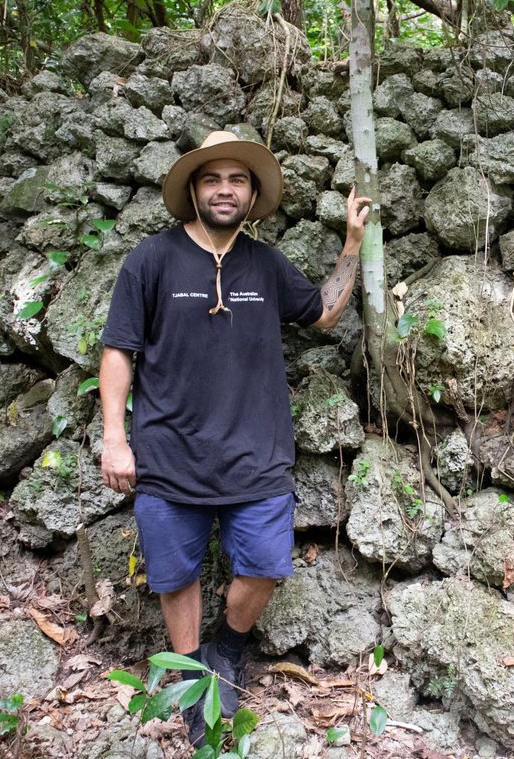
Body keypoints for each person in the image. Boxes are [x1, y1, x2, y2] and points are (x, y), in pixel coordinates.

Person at [97, 131, 370, 746]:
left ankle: (228, 650)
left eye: (237, 180)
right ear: (193, 190)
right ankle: (195, 681)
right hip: (168, 454)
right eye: (212, 179)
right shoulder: (152, 260)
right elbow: (118, 350)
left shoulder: (265, 263)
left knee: (267, 566)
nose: (225, 189)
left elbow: (322, 312)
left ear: (251, 195)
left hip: (257, 454)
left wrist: (351, 245)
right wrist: (116, 438)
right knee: (174, 576)